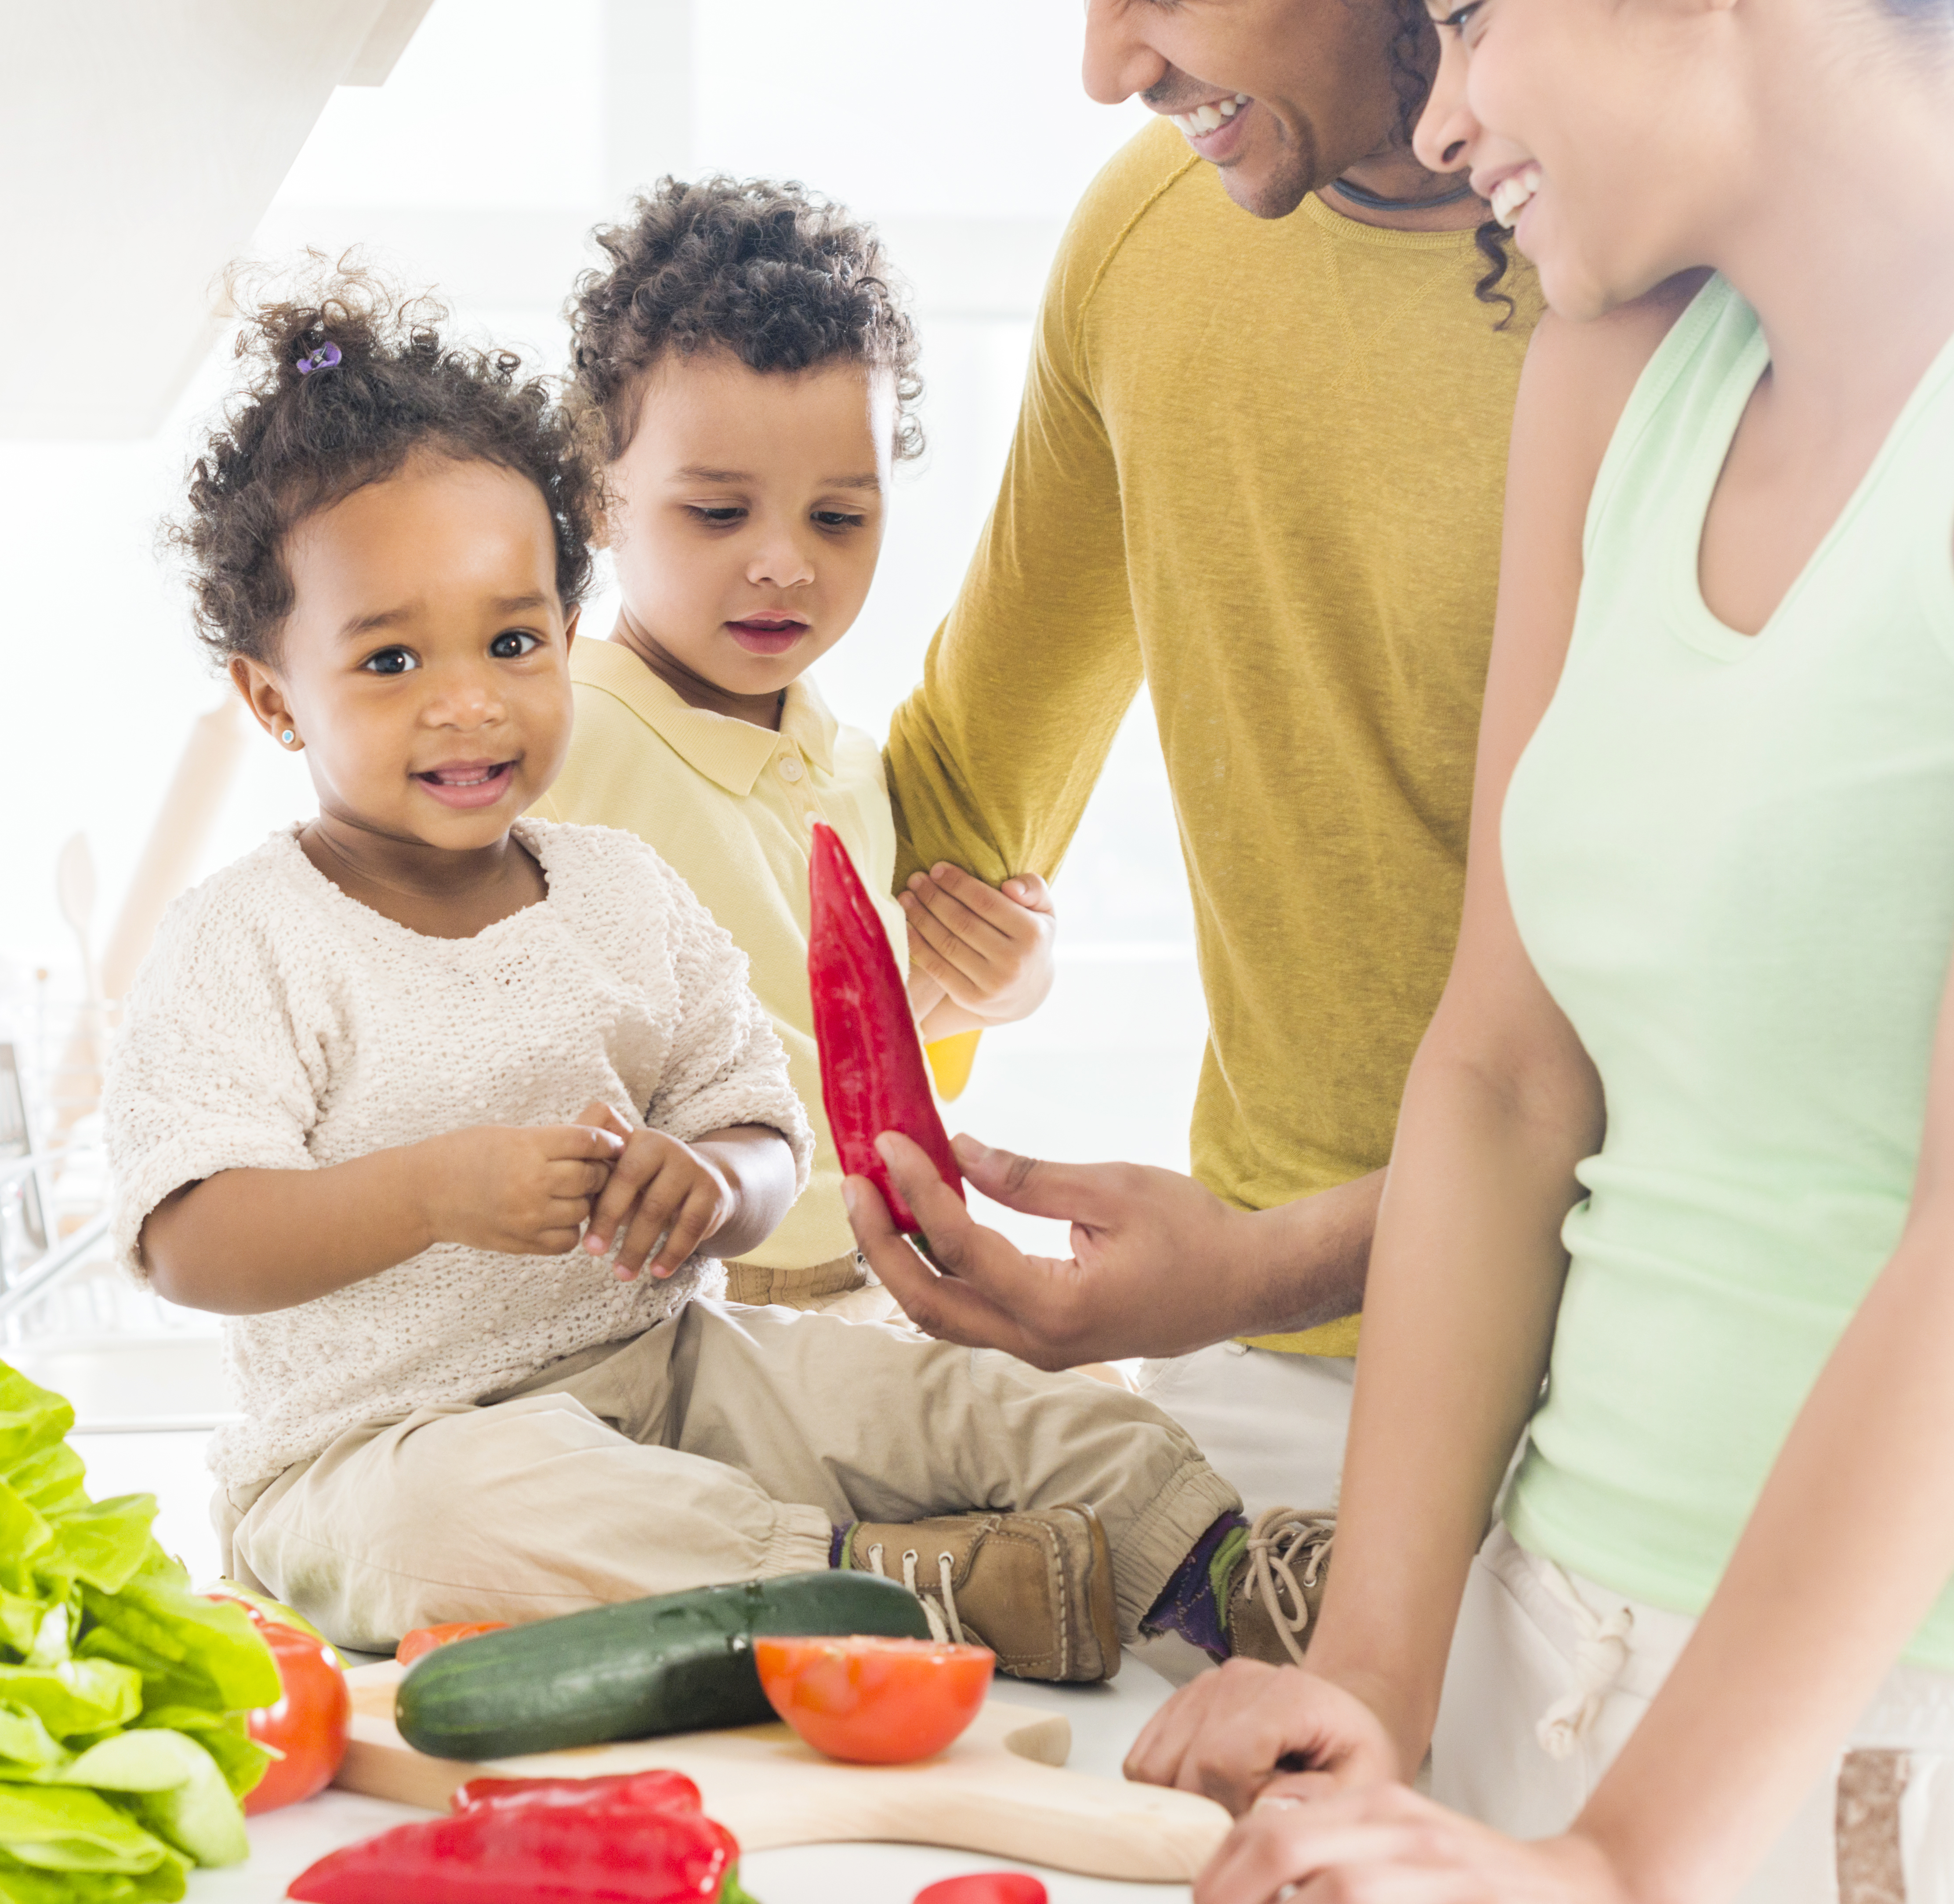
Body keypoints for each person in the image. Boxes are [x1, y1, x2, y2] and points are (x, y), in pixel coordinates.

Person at [1124, 0, 1954, 1897]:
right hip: (1549, 1651)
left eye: (1474, 9)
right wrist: (1378, 1676)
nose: (1438, 115)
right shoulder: (1614, 380)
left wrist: (1622, 1862)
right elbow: (1501, 1078)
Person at [105, 266, 1271, 1681]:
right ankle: (873, 1586)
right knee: (475, 1519)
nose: (469, 698)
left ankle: (1230, 1561)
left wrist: (717, 1183)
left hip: (666, 1374)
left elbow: (768, 1131)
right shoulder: (245, 938)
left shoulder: (618, 892)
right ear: (274, 696)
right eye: (394, 657)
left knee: (981, 1398)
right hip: (376, 1456)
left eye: (515, 641)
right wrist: (432, 1193)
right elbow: (190, 1242)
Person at [849, 0, 1545, 1531]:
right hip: (1268, 1375)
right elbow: (944, 820)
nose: (1103, 67)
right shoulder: (1147, 248)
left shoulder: (1657, 288)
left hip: (1641, 1381)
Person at [532, 175, 1056, 1320]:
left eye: (837, 516)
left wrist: (998, 989)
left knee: (1106, 1421)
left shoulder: (847, 769)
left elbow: (841, 1040)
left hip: (862, 1285)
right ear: (595, 502)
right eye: (719, 514)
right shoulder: (567, 737)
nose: (784, 564)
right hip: (672, 1308)